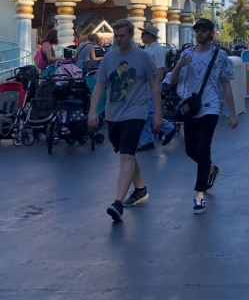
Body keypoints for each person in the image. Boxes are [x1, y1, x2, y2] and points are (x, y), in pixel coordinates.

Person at [88, 19, 163, 222]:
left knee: (126, 156)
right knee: (126, 153)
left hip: (135, 113)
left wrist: (158, 114)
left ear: (131, 36)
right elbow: (100, 86)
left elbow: (154, 86)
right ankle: (140, 189)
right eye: (116, 36)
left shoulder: (143, 57)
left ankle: (117, 203)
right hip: (113, 114)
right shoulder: (109, 58)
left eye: (122, 36)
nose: (118, 39)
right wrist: (93, 111)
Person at [168, 18, 238, 214]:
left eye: (204, 30)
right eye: (197, 30)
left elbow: (226, 84)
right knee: (191, 150)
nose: (199, 33)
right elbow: (172, 81)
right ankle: (210, 169)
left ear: (211, 33)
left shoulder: (220, 55)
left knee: (203, 148)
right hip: (191, 107)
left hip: (210, 106)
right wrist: (178, 66)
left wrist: (233, 113)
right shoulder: (187, 54)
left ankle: (199, 194)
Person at [136, 25, 177, 153]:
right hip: (145, 84)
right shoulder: (147, 48)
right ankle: (148, 139)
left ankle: (167, 128)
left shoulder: (158, 50)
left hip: (151, 84)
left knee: (148, 112)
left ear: (150, 35)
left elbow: (160, 70)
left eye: (143, 34)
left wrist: (154, 84)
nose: (141, 36)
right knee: (144, 112)